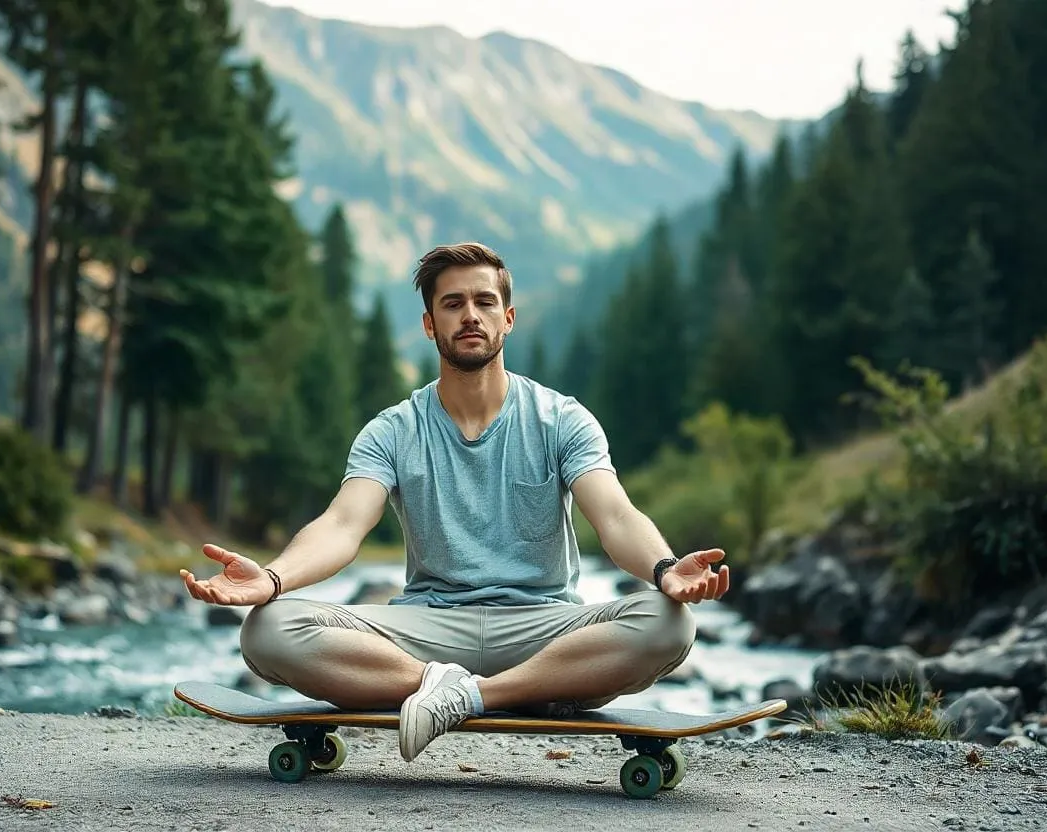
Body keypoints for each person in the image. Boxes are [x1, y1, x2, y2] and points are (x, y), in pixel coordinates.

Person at [180, 242, 730, 762]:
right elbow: (342, 526)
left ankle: (473, 696)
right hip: (426, 634)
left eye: (484, 301)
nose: (470, 314)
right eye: (453, 304)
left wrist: (663, 570)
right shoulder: (393, 430)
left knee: (669, 623)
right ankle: (460, 689)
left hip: (544, 629)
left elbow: (615, 516)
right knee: (267, 630)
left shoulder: (562, 419)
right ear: (429, 324)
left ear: (507, 319)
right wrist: (273, 579)